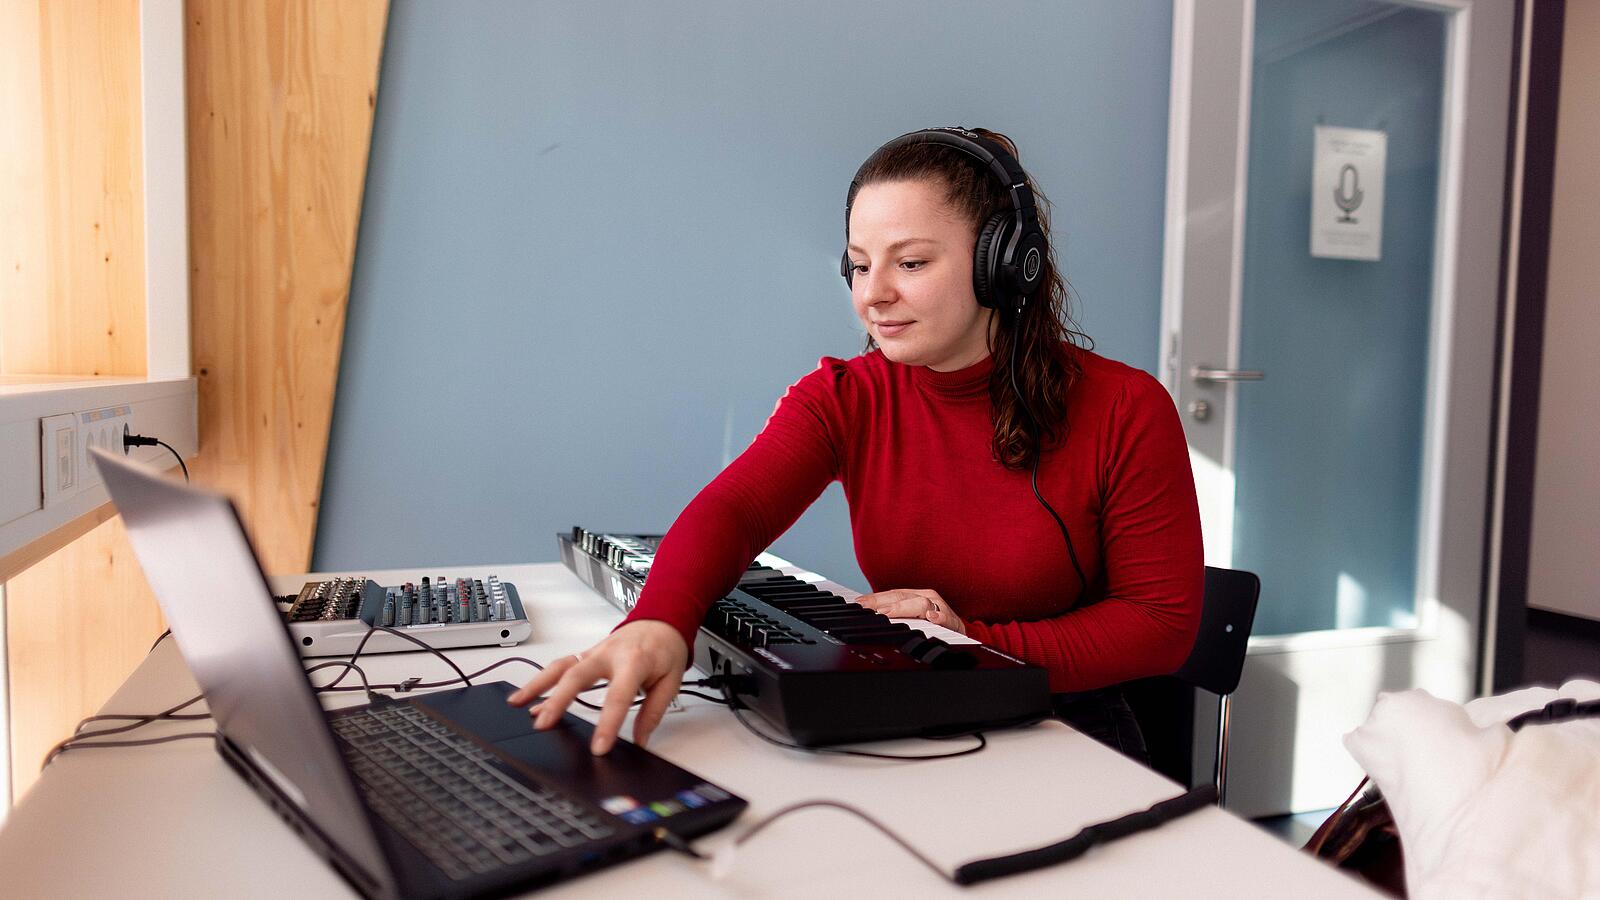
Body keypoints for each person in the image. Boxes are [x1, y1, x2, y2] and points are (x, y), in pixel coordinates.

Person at [510, 127, 1203, 762]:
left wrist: (967, 637)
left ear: (1003, 263)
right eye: (859, 266)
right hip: (916, 712)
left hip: (1068, 733)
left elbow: (1161, 623)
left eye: (910, 263)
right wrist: (660, 622)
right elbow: (735, 510)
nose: (873, 296)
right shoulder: (846, 394)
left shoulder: (1125, 407)